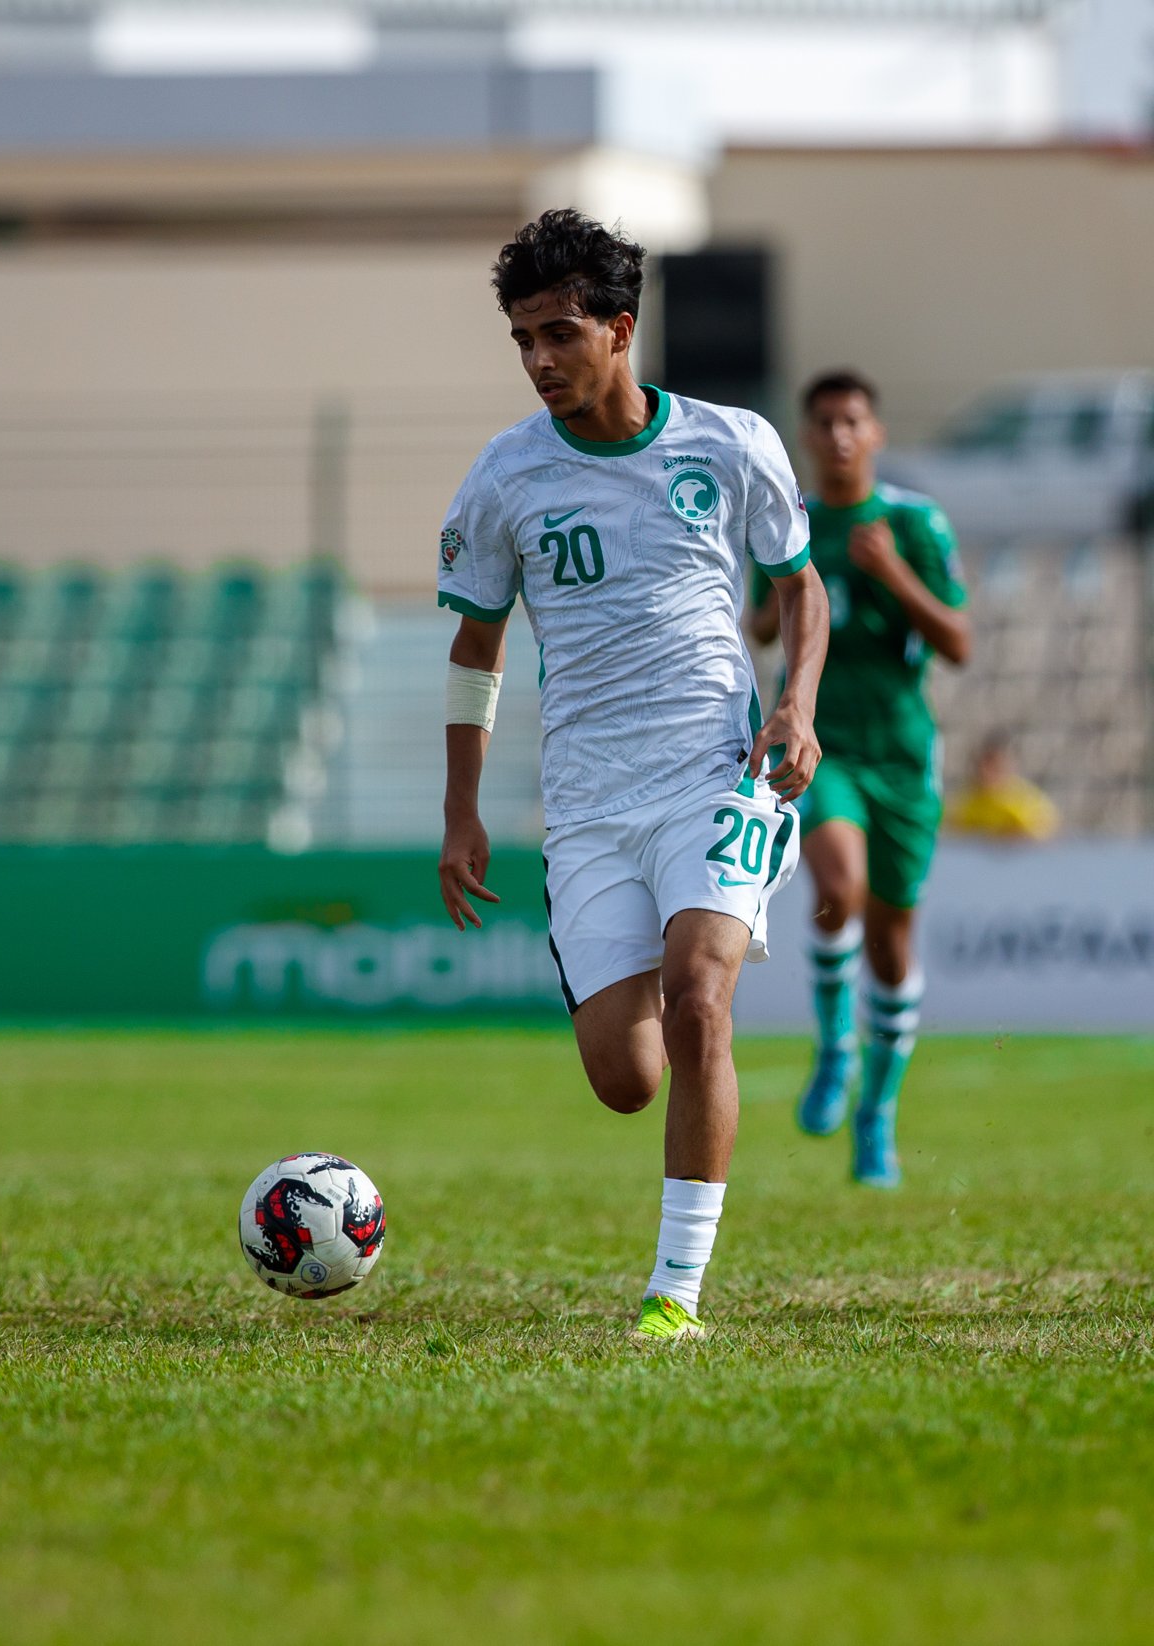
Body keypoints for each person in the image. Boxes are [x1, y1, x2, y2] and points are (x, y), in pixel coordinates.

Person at [435, 210, 828, 1342]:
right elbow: (475, 650)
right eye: (520, 339)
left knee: (701, 1001)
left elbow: (799, 586)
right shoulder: (505, 475)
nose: (538, 359)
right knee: (625, 1077)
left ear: (619, 328)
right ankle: (662, 980)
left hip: (717, 771)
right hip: (590, 806)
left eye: (558, 332)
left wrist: (794, 702)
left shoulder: (729, 442)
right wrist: (460, 810)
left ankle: (673, 1294)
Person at [749, 371, 970, 1187]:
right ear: (807, 436)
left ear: (875, 433)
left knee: (891, 941)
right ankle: (836, 1048)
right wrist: (775, 603)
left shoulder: (913, 523)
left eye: (854, 421)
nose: (840, 435)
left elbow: (958, 644)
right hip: (821, 741)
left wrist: (891, 574)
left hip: (903, 756)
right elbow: (762, 624)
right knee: (836, 880)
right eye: (826, 422)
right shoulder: (791, 519)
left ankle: (877, 1113)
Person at [949, 731, 1057, 841]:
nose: (987, 771)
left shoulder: (1028, 803)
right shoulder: (966, 801)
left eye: (996, 765)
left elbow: (1044, 836)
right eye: (986, 764)